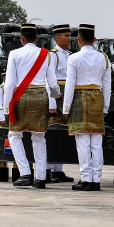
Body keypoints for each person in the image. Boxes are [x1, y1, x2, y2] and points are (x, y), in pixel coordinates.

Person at [3, 23, 56, 188]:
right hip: (41, 96)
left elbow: (10, 82)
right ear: (37, 38)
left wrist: (6, 107)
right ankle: (40, 178)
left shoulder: (14, 54)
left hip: (22, 97)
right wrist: (55, 99)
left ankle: (25, 173)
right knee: (39, 137)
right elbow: (52, 83)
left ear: (22, 38)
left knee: (14, 135)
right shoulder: (47, 54)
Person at [62, 24, 112, 191]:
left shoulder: (74, 58)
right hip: (97, 98)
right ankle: (96, 180)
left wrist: (66, 108)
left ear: (79, 40)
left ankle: (85, 178)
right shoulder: (104, 58)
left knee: (83, 143)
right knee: (96, 143)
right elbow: (107, 85)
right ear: (95, 40)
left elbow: (69, 85)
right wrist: (106, 107)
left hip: (79, 99)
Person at [46, 23, 74, 183]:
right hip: (56, 97)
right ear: (57, 38)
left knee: (62, 133)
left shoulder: (69, 55)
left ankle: (58, 169)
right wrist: (51, 105)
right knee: (51, 134)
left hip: (65, 97)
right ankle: (48, 169)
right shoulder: (53, 55)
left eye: (70, 35)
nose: (69, 38)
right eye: (66, 36)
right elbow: (49, 80)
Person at [0, 69, 19, 182]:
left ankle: (15, 164)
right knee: (7, 140)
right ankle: (4, 162)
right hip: (5, 117)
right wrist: (2, 118)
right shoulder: (0, 89)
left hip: (14, 116)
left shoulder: (14, 87)